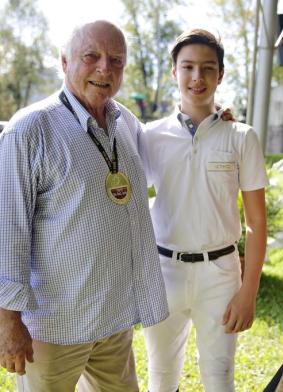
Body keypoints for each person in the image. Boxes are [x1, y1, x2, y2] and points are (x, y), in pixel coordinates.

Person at [0, 20, 168, 391]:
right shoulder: (28, 130)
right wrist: (7, 321)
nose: (104, 68)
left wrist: (215, 118)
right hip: (52, 328)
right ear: (64, 62)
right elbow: (8, 230)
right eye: (91, 56)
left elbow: (173, 151)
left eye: (116, 60)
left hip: (112, 321)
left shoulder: (126, 122)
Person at [141, 29, 268, 392]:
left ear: (220, 75)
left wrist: (249, 291)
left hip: (221, 276)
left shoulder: (241, 137)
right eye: (188, 67)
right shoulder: (149, 136)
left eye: (207, 68)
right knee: (161, 378)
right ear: (174, 72)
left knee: (219, 378)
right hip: (163, 273)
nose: (197, 77)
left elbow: (256, 223)